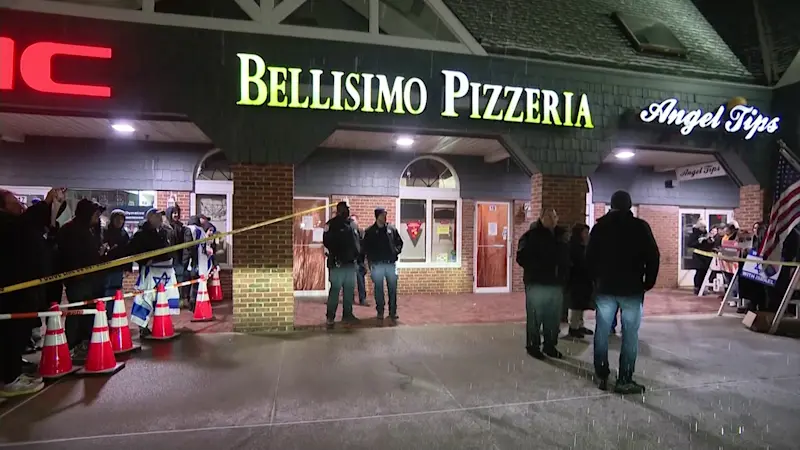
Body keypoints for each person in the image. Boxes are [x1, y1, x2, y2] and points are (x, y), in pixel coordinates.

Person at [587, 190, 659, 394]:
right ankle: (624, 379)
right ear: (629, 206)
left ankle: (601, 374)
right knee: (629, 335)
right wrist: (648, 281)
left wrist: (596, 281)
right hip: (631, 288)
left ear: (612, 205)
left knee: (601, 332)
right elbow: (653, 256)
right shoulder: (640, 227)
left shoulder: (600, 228)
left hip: (606, 288)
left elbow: (589, 258)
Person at [0, 187, 64, 397]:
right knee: (11, 334)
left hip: (26, 290)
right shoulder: (8, 226)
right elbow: (28, 222)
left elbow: (38, 227)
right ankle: (8, 380)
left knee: (19, 334)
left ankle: (13, 370)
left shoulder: (19, 227)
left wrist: (53, 207)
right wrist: (45, 204)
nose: (20, 205)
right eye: (14, 202)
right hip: (12, 294)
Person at [515, 209, 570, 360]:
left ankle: (550, 345)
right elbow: (521, 257)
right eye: (548, 216)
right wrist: (538, 267)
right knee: (535, 317)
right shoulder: (531, 236)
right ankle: (533, 346)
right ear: (541, 218)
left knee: (553, 319)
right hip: (537, 283)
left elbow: (567, 259)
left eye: (554, 216)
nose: (551, 219)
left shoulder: (561, 237)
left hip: (556, 284)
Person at [57, 199, 107, 360]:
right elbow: (68, 255)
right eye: (95, 213)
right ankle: (71, 346)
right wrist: (77, 272)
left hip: (92, 279)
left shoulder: (90, 230)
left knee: (89, 312)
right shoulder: (71, 230)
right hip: (79, 280)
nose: (98, 217)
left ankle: (84, 343)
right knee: (76, 312)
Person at [127, 208, 177, 337]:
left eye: (161, 217)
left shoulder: (164, 232)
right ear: (150, 218)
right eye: (157, 216)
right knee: (145, 297)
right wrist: (145, 261)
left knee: (161, 298)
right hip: (150, 271)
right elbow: (133, 251)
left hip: (164, 270)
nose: (160, 219)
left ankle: (161, 321)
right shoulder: (141, 234)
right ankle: (142, 326)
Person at [322, 201, 361, 328]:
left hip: (350, 263)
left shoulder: (352, 224)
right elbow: (327, 242)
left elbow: (357, 242)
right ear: (340, 210)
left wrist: (357, 256)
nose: (347, 211)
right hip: (337, 264)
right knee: (335, 291)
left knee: (349, 291)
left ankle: (347, 314)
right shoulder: (331, 224)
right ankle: (330, 316)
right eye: (345, 209)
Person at [361, 207, 404, 323]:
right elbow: (365, 248)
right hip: (377, 265)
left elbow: (399, 242)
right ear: (377, 216)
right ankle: (380, 311)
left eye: (385, 214)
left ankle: (392, 312)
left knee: (392, 289)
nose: (385, 217)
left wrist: (395, 251)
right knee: (378, 289)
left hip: (390, 264)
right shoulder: (370, 231)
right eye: (382, 215)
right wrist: (370, 261)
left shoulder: (391, 229)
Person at [101, 209, 131, 320]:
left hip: (118, 268)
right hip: (106, 268)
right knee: (105, 291)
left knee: (115, 291)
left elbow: (128, 251)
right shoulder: (105, 232)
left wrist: (128, 267)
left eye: (122, 219)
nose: (119, 221)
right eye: (117, 218)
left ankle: (111, 315)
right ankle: (102, 315)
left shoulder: (124, 234)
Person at [567, 223, 594, 338]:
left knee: (581, 303)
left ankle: (580, 325)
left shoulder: (586, 246)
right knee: (575, 304)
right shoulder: (573, 247)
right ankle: (573, 328)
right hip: (576, 279)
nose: (587, 235)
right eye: (585, 232)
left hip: (584, 279)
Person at [165, 206, 192, 308]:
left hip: (179, 259)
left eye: (177, 213)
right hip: (167, 260)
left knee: (180, 280)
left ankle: (180, 300)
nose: (176, 215)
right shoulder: (165, 228)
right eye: (173, 213)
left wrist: (184, 259)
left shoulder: (182, 228)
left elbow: (186, 245)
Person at [186, 215, 211, 311]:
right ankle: (194, 303)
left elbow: (188, 248)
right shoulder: (200, 231)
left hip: (192, 261)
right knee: (195, 283)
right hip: (199, 262)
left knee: (192, 282)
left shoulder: (189, 229)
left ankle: (191, 303)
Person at [687, 220, 715, 295]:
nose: (705, 228)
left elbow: (708, 245)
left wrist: (710, 241)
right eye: (703, 227)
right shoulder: (694, 235)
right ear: (699, 227)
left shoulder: (706, 234)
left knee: (704, 273)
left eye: (705, 227)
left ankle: (702, 288)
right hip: (698, 257)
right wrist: (699, 241)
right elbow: (690, 244)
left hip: (706, 257)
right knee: (699, 272)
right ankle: (697, 288)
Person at [350, 215, 368, 306]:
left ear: (357, 221)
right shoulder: (348, 233)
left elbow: (365, 245)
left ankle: (362, 299)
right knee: (350, 281)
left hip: (359, 260)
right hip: (351, 260)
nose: (352, 222)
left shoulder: (361, 232)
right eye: (351, 220)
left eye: (354, 220)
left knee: (360, 280)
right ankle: (350, 298)